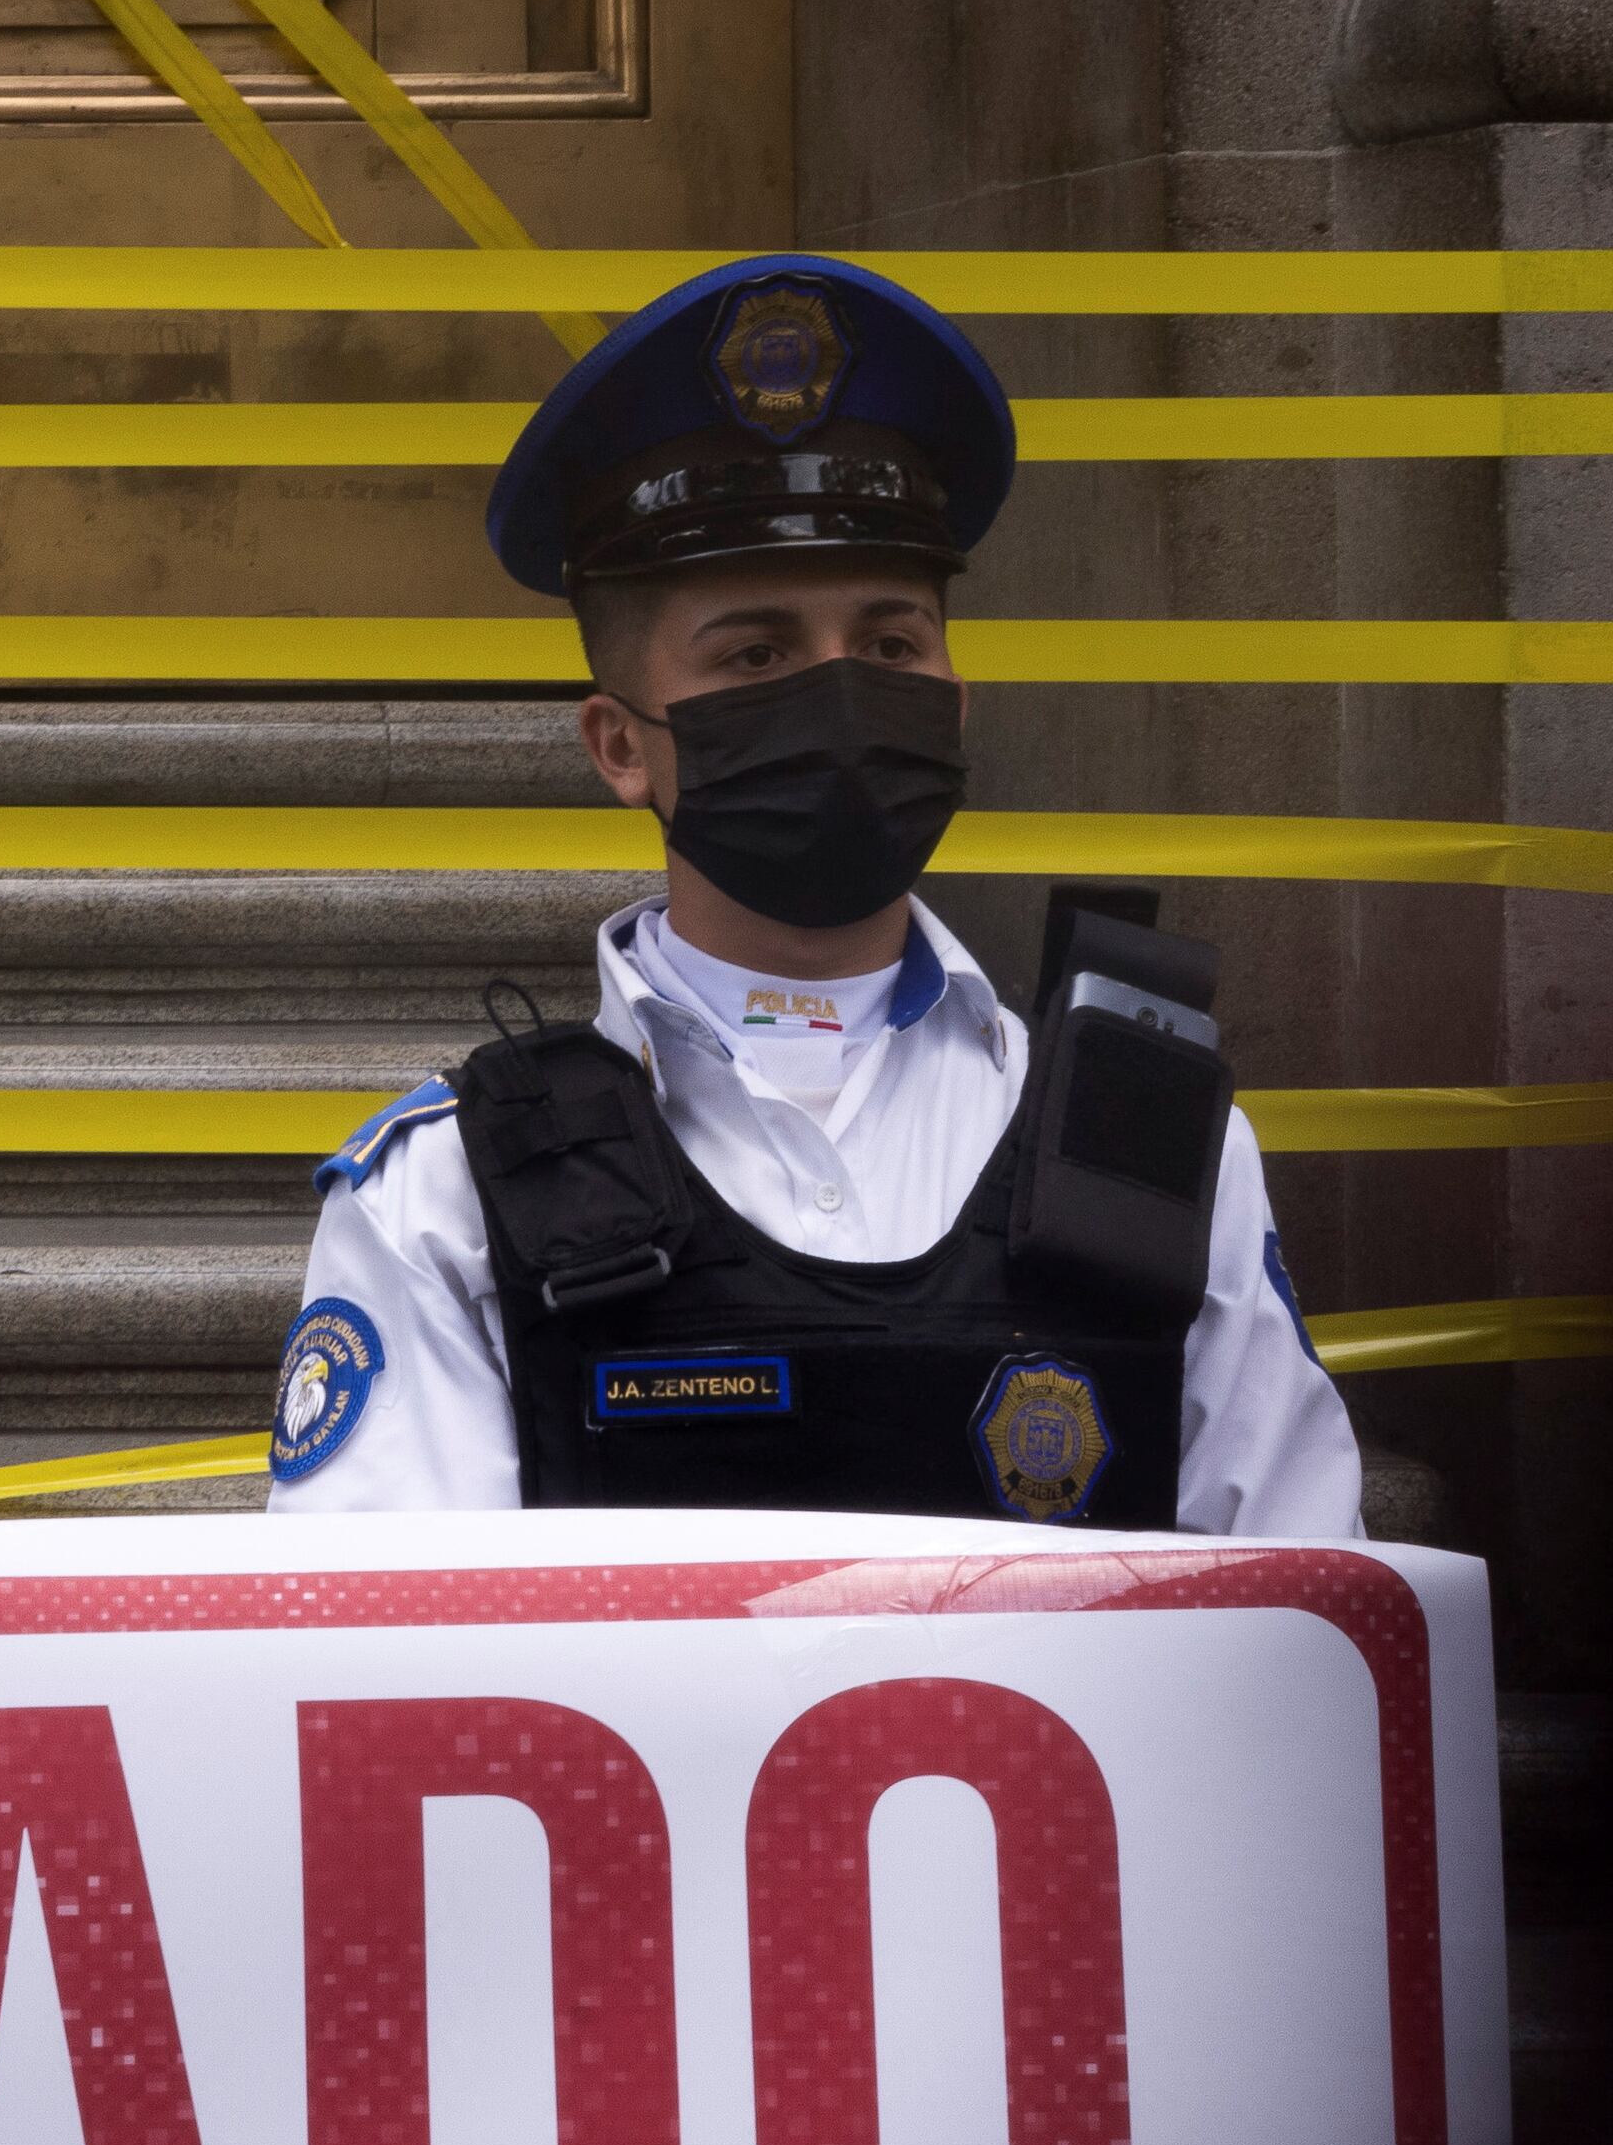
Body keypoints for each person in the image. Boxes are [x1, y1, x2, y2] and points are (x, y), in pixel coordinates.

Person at [263, 256, 1365, 1533]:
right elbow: (397, 1674)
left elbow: (1306, 1624)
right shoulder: (443, 1190)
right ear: (618, 745)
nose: (841, 693)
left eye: (890, 645)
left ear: (951, 702)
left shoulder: (1153, 1140)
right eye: (756, 651)